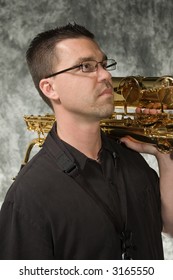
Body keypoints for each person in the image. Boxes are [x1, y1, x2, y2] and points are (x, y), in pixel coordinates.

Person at [0, 23, 173, 260]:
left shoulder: (133, 161)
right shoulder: (26, 197)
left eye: (103, 64)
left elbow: (170, 225)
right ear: (50, 88)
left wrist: (164, 154)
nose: (106, 76)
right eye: (86, 67)